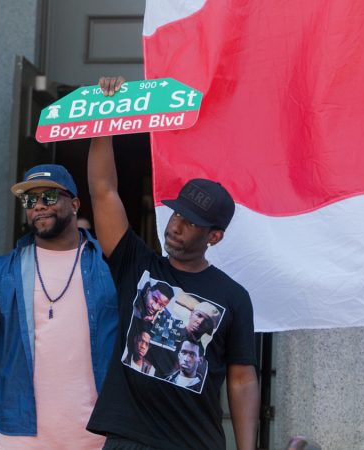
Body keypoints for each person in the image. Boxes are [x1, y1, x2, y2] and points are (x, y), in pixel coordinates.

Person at [86, 76, 260, 450]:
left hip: (194, 443)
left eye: (191, 222)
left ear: (214, 236)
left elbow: (243, 378)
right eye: (176, 214)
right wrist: (105, 115)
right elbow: (104, 191)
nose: (176, 226)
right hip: (127, 440)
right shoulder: (137, 265)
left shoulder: (233, 296)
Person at [0, 164, 118, 449]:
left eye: (48, 197)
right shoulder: (4, 269)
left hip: (98, 435)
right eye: (30, 200)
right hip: (21, 435)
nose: (39, 206)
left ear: (74, 203)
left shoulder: (109, 265)